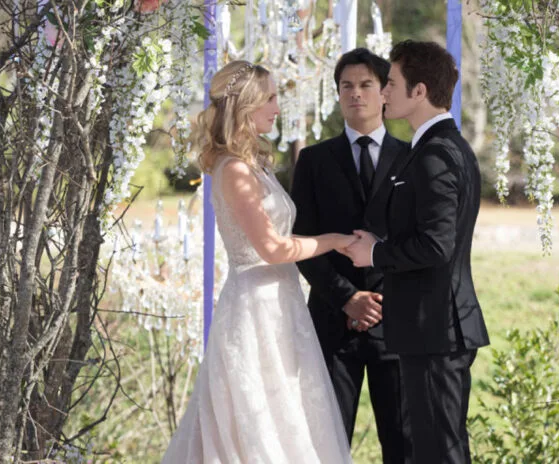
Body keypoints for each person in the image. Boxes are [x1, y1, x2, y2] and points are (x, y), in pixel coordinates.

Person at [162, 60, 354, 464]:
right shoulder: (234, 170)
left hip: (283, 303)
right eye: (270, 98)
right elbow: (273, 249)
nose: (277, 108)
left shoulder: (255, 165)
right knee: (257, 417)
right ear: (246, 105)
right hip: (255, 308)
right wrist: (334, 241)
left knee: (289, 412)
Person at [340, 40, 490, 464]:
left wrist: (375, 254)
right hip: (431, 328)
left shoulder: (435, 154)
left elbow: (437, 245)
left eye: (390, 83)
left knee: (438, 452)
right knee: (436, 449)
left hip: (434, 328)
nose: (383, 92)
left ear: (419, 91)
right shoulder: (438, 148)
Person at [291, 48, 410, 463]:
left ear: (384, 92)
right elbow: (302, 243)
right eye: (346, 86)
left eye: (365, 85)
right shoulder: (313, 160)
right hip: (331, 322)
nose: (355, 93)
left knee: (403, 444)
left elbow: (419, 240)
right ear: (338, 94)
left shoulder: (412, 158)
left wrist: (377, 301)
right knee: (325, 444)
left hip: (397, 322)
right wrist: (347, 298)